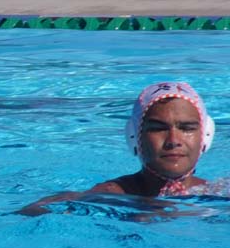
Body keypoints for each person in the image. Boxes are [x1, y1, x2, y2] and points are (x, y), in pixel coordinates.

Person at [18, 81, 216, 215]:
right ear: (134, 136)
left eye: (187, 128)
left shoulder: (219, 192)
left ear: (205, 135)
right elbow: (36, 211)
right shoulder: (111, 195)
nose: (174, 140)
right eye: (158, 128)